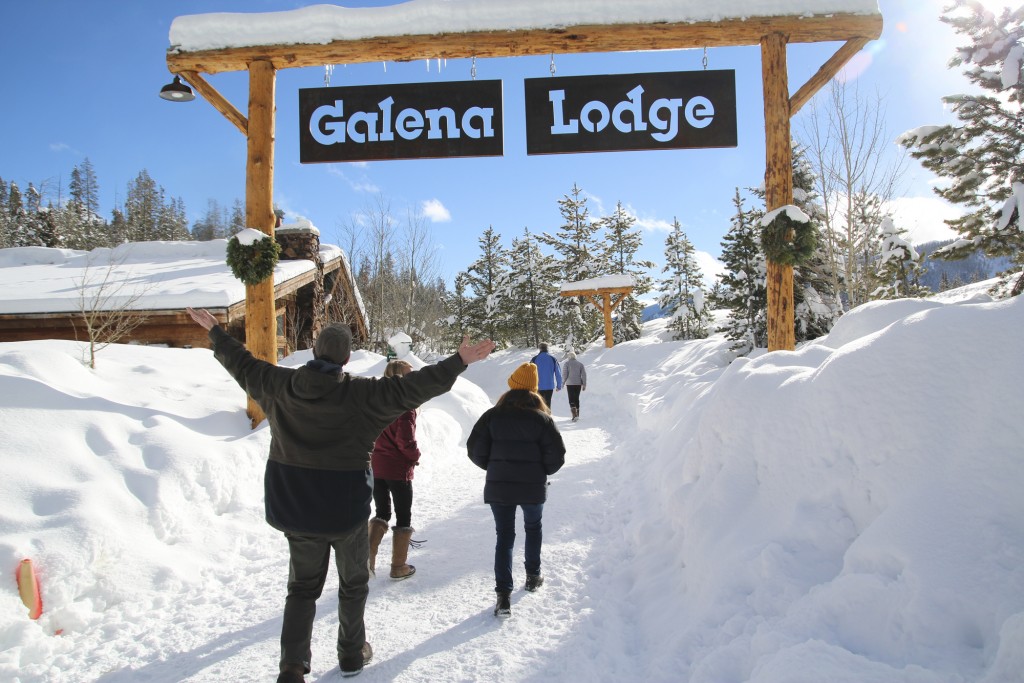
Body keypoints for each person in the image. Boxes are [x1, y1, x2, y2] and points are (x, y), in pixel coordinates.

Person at [185, 307, 494, 682]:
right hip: (344, 513)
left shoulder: (277, 384)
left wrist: (216, 331)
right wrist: (458, 361)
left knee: (301, 589)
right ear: (347, 358)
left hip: (295, 510)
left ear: (315, 352)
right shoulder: (364, 395)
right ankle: (350, 656)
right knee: (353, 585)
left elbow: (241, 363)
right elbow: (414, 387)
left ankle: (293, 667)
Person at [467, 362, 566, 618]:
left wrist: (493, 467)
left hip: (500, 486)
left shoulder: (492, 415)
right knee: (533, 528)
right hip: (533, 487)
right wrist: (541, 470)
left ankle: (503, 596)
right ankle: (533, 576)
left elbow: (474, 449)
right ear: (533, 389)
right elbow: (557, 456)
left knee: (504, 536)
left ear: (512, 384)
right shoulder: (543, 419)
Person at [368, 359, 421, 580]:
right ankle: (398, 567)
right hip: (398, 468)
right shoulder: (404, 405)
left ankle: (366, 561)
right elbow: (405, 440)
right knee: (403, 516)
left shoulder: (377, 402)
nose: (413, 377)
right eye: (409, 374)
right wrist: (415, 456)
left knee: (381, 512)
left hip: (377, 466)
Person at [530, 342, 562, 408]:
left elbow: (529, 373)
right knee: (547, 404)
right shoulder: (553, 359)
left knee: (538, 405)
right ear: (547, 348)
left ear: (540, 349)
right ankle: (547, 417)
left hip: (537, 386)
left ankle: (539, 417)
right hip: (549, 386)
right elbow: (558, 373)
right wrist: (559, 385)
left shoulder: (534, 359)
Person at [562, 351, 587, 422]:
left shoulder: (566, 364)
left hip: (570, 384)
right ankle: (577, 415)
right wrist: (584, 384)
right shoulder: (580, 364)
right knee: (576, 398)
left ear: (569, 357)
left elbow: (564, 374)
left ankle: (574, 415)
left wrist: (563, 383)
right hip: (578, 384)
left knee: (571, 399)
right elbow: (584, 375)